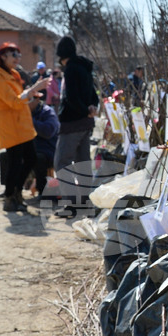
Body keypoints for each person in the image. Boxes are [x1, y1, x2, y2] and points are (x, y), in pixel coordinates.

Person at [0, 43, 50, 212]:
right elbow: (13, 101)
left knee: (30, 159)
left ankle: (16, 193)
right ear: (3, 56)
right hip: (11, 126)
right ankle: (10, 197)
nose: (17, 58)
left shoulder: (11, 74)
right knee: (15, 162)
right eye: (13, 54)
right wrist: (34, 88)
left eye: (18, 55)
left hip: (21, 125)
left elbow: (18, 98)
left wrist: (30, 93)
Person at [54, 36, 98, 217]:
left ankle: (71, 206)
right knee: (83, 164)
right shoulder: (85, 67)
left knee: (62, 163)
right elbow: (93, 94)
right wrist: (92, 109)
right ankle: (86, 203)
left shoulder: (71, 68)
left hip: (73, 123)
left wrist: (83, 110)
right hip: (86, 123)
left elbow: (71, 97)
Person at [28, 89, 59, 201]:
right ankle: (12, 191)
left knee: (38, 157)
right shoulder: (24, 113)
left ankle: (43, 191)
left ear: (36, 100)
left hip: (48, 150)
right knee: (6, 155)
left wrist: (31, 121)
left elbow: (48, 132)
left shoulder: (47, 112)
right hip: (31, 148)